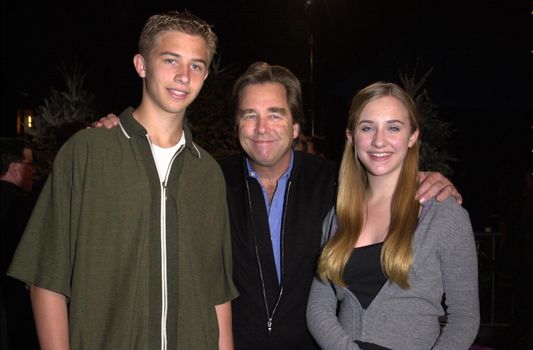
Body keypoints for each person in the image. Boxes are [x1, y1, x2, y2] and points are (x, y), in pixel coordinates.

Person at [94, 62, 462, 349]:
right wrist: (122, 137)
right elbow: (152, 189)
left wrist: (429, 178)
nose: (261, 127)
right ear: (236, 124)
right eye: (249, 115)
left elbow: (387, 171)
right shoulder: (208, 181)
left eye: (275, 113)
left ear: (296, 125)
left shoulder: (337, 184)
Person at [8, 10, 238, 350]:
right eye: (171, 60)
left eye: (197, 65)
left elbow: (217, 293)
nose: (183, 77)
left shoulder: (208, 174)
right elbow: (46, 279)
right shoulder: (87, 152)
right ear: (141, 65)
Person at [306, 82, 479, 350]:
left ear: (412, 137)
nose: (379, 140)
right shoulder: (338, 216)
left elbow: (464, 318)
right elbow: (318, 307)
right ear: (351, 137)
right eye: (367, 127)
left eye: (393, 127)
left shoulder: (445, 215)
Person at [0, 137, 39, 349]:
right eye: (30, 163)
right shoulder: (25, 208)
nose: (33, 170)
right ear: (15, 168)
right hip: (14, 310)